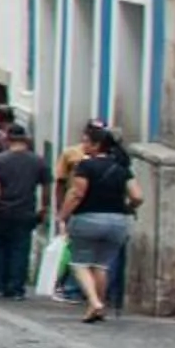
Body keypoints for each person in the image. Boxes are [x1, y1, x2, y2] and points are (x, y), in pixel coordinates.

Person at [55, 120, 140, 323]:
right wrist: (128, 208)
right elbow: (137, 196)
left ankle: (94, 302)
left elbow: (77, 193)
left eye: (86, 142)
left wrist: (63, 216)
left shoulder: (86, 166)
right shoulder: (122, 168)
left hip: (88, 219)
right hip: (117, 221)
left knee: (79, 263)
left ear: (95, 146)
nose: (83, 145)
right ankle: (99, 308)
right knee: (101, 265)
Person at [0, 124, 47, 299]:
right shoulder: (38, 161)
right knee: (20, 249)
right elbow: (46, 185)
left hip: (0, 210)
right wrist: (44, 207)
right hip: (25, 210)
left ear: (7, 138)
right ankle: (16, 287)